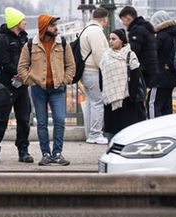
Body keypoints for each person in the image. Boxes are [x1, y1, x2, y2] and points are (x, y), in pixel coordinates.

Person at [16, 13, 76, 166]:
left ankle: (57, 153)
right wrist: (31, 80)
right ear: (44, 27)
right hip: (38, 89)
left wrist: (65, 80)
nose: (56, 28)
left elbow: (71, 65)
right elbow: (22, 67)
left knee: (60, 120)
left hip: (58, 88)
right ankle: (46, 154)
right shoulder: (31, 44)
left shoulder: (62, 43)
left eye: (56, 25)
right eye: (53, 25)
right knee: (41, 123)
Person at [0, 7, 34, 164]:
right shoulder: (2, 40)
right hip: (7, 85)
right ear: (16, 22)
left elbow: (29, 59)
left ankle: (23, 150)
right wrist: (19, 73)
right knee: (1, 119)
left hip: (22, 86)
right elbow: (3, 61)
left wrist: (24, 75)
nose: (25, 23)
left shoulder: (24, 39)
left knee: (24, 119)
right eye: (23, 20)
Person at [101, 27, 146, 138]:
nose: (110, 41)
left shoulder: (130, 55)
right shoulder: (105, 56)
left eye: (114, 39)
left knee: (127, 130)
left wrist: (132, 96)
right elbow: (101, 76)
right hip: (111, 99)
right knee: (112, 131)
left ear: (121, 40)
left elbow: (135, 77)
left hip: (127, 99)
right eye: (109, 39)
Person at [74, 9, 110, 144]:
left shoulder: (86, 29)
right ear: (104, 19)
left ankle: (90, 132)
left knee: (90, 102)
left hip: (85, 71)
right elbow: (99, 54)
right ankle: (95, 134)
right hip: (93, 71)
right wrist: (106, 70)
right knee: (98, 102)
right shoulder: (96, 31)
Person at [118, 7, 160, 115]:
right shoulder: (146, 28)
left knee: (140, 102)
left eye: (123, 20)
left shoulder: (136, 30)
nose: (123, 24)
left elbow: (133, 52)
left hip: (142, 70)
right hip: (151, 70)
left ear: (128, 18)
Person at [150, 11, 176, 119]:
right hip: (171, 77)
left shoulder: (160, 36)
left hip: (159, 77)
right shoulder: (175, 35)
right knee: (167, 105)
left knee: (153, 104)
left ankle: (152, 129)